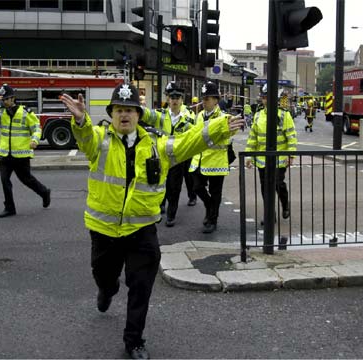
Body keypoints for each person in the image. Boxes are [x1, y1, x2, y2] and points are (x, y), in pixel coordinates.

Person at [60, 83, 244, 359]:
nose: (125, 115)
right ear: (112, 114)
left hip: (142, 231)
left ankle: (133, 341)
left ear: (138, 114)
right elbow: (85, 137)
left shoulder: (159, 146)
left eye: (130, 110)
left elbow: (190, 140)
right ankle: (107, 290)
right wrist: (79, 120)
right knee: (104, 276)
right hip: (104, 231)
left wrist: (219, 127)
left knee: (141, 287)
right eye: (119, 110)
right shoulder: (99, 140)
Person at [0, 84, 51, 218]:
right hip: (5, 154)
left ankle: (44, 192)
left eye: (6, 99)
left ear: (13, 99)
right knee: (4, 180)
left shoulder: (25, 112)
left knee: (27, 180)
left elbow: (36, 127)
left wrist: (35, 140)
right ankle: (9, 208)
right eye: (2, 99)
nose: (4, 102)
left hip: (21, 154)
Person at [140, 81, 197, 226]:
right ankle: (160, 208)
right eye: (172, 97)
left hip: (177, 159)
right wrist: (136, 107)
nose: (175, 100)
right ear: (168, 99)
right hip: (161, 158)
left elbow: (194, 135)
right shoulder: (161, 115)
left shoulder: (188, 119)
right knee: (159, 184)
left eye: (178, 97)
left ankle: (171, 215)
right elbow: (147, 114)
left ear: (182, 99)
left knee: (174, 188)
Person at [245, 83, 297, 222]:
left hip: (279, 158)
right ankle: (270, 214)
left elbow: (291, 136)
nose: (266, 99)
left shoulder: (284, 115)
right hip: (262, 159)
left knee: (278, 184)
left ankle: (285, 204)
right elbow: (252, 137)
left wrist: (290, 155)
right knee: (265, 188)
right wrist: (249, 155)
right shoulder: (258, 115)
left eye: (269, 97)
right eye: (264, 97)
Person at [189, 81, 233, 233]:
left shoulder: (224, 117)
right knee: (196, 187)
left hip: (216, 161)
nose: (204, 101)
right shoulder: (199, 115)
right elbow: (195, 134)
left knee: (216, 193)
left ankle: (212, 220)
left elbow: (227, 138)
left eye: (207, 98)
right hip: (199, 159)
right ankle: (209, 206)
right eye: (203, 98)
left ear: (216, 100)